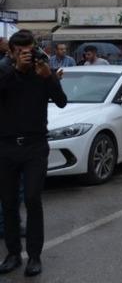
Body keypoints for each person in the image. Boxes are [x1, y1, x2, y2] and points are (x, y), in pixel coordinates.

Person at [0, 30, 68, 277]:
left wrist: (49, 78)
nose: (26, 55)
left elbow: (61, 101)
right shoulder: (4, 71)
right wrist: (15, 70)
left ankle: (34, 257)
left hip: (35, 146)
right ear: (11, 53)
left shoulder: (42, 72)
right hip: (6, 146)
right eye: (21, 52)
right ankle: (13, 254)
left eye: (29, 50)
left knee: (32, 198)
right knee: (8, 202)